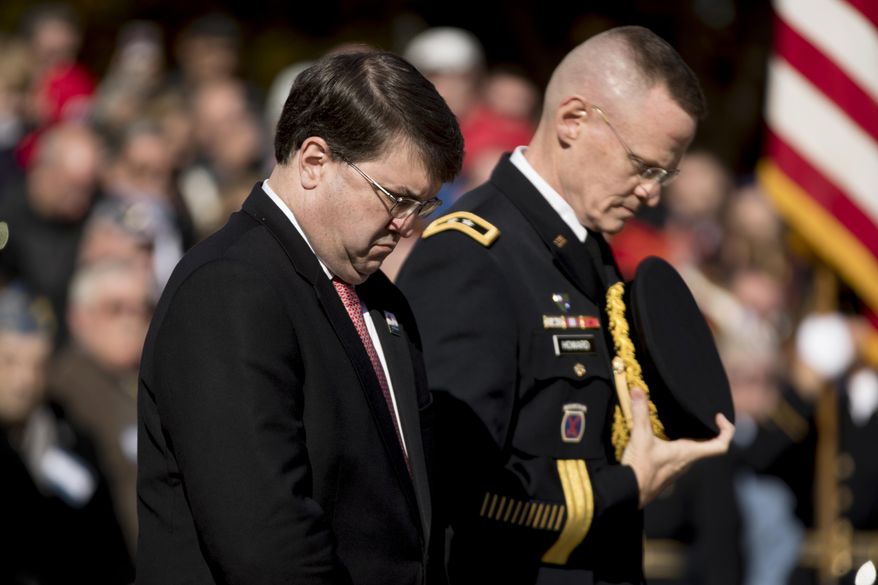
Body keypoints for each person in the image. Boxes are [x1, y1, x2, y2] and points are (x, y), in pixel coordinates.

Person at [396, 26, 734, 584]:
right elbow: (454, 481)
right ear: (573, 121)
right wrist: (626, 487)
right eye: (643, 165)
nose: (653, 193)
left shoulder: (587, 249)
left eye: (665, 174)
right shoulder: (473, 253)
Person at [136, 49, 463, 585]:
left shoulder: (377, 296)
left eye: (423, 206)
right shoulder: (230, 288)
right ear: (315, 161)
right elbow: (265, 543)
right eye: (396, 198)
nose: (407, 226)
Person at [0, 283, 133, 585]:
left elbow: (109, 547)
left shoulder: (71, 439)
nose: (24, 381)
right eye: (8, 361)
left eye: (38, 365)